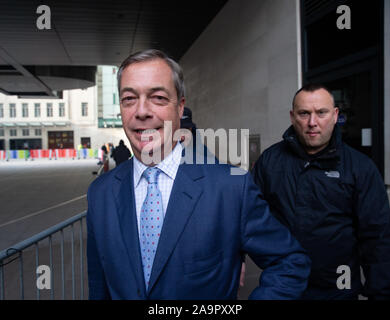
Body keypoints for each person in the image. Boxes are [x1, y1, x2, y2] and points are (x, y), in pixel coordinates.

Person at [86, 49, 311, 300]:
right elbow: (99, 285)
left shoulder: (230, 187)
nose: (141, 111)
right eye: (129, 99)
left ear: (180, 107)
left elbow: (289, 262)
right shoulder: (100, 194)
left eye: (158, 97)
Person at [252, 83, 390, 300]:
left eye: (321, 113)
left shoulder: (360, 168)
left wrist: (380, 293)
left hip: (338, 286)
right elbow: (248, 215)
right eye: (304, 113)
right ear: (292, 116)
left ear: (335, 115)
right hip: (283, 283)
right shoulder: (270, 161)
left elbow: (378, 236)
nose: (312, 123)